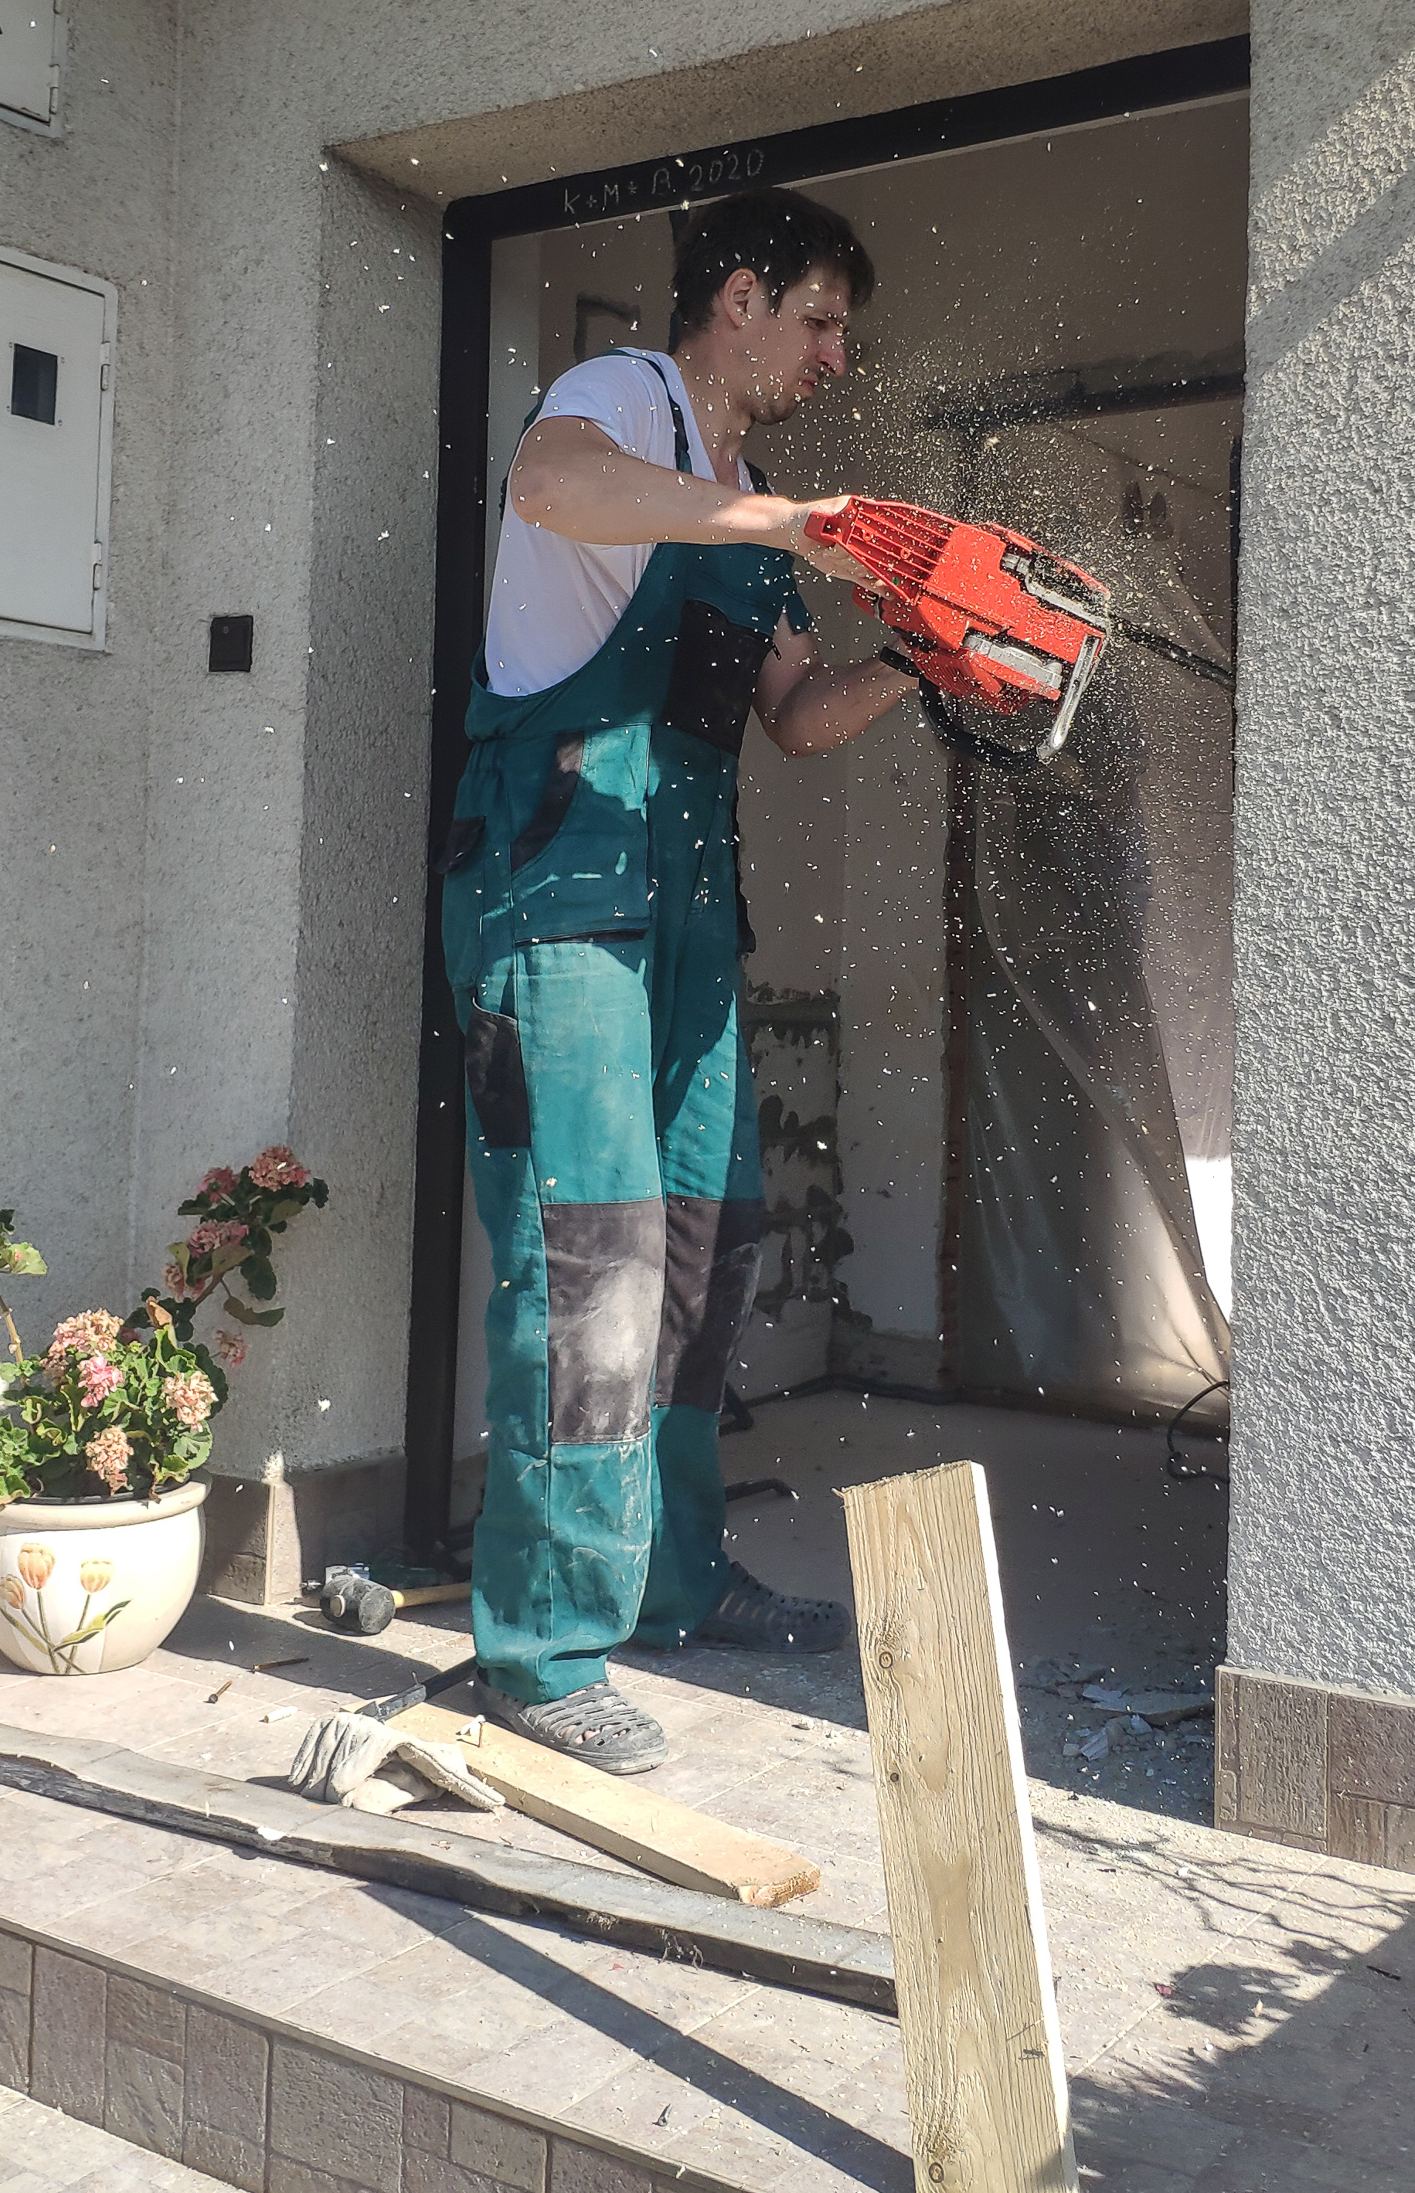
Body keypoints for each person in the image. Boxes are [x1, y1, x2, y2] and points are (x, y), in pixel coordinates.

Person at [442, 186, 919, 1771]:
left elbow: (796, 717)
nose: (835, 357)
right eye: (821, 322)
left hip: (690, 920)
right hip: (559, 892)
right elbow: (551, 485)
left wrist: (922, 660)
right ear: (738, 299)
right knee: (591, 1259)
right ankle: (543, 1650)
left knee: (703, 1252)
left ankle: (672, 1576)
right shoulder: (620, 403)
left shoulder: (747, 494)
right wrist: (785, 525)